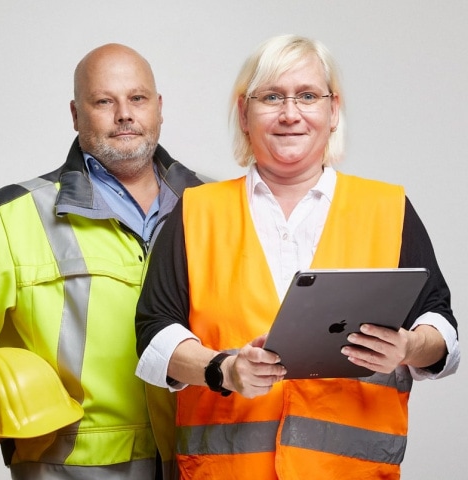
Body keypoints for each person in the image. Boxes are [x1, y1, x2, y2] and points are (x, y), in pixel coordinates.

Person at [135, 34, 460, 480]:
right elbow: (154, 336)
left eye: (307, 96)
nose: (290, 114)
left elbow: (443, 332)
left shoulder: (388, 210)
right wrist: (222, 370)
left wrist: (409, 347)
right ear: (244, 114)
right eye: (271, 97)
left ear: (333, 110)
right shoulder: (196, 212)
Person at [0, 43, 204, 479]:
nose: (125, 114)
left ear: (159, 107)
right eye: (104, 101)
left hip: (199, 465)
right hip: (74, 471)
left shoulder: (216, 209)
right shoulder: (14, 215)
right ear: (75, 114)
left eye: (137, 98)